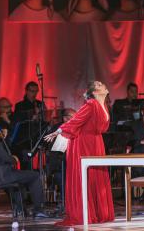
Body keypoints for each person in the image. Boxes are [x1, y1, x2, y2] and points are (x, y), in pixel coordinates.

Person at [44, 81, 114, 225]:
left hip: (95, 142)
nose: (103, 84)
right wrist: (58, 131)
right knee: (86, 177)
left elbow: (102, 128)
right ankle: (84, 213)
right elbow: (75, 120)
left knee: (96, 176)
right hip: (83, 143)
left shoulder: (104, 105)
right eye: (99, 84)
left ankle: (99, 212)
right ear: (94, 92)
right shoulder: (91, 104)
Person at [0, 112, 48, 218]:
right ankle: (38, 210)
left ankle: (20, 209)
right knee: (34, 176)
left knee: (19, 178)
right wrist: (14, 159)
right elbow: (4, 157)